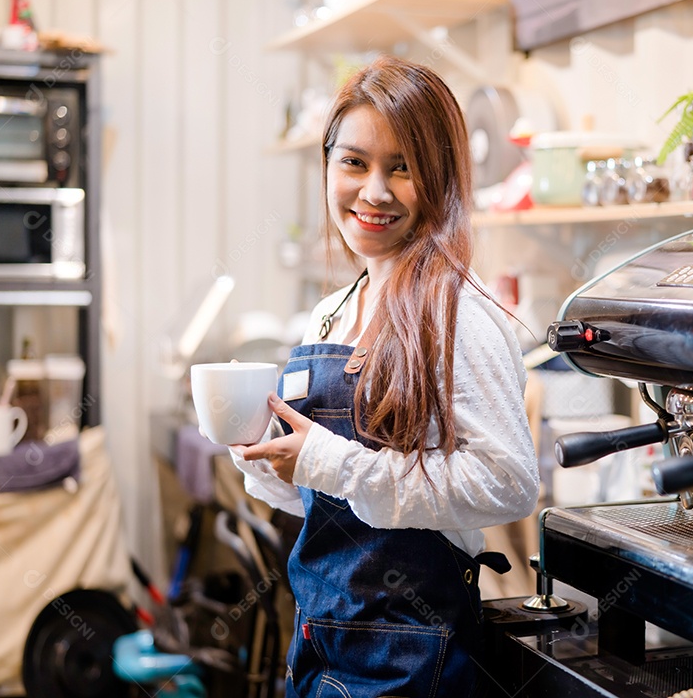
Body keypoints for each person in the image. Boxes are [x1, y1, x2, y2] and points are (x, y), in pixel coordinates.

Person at [229, 54, 539, 697]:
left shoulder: (459, 313)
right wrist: (270, 463)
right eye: (354, 162)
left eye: (402, 167)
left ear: (443, 179)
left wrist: (331, 463)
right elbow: (332, 502)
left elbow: (509, 484)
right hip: (320, 644)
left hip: (411, 661)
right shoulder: (330, 312)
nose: (374, 191)